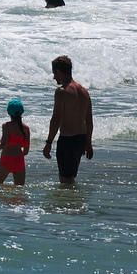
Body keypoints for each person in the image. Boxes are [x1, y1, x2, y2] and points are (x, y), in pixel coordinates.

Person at [42, 55, 93, 184]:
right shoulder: (84, 91)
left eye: (54, 73)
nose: (54, 77)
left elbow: (56, 119)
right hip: (81, 139)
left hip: (68, 140)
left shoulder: (62, 92)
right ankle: (74, 202)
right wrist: (88, 143)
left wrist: (48, 143)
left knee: (65, 180)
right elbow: (89, 120)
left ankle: (72, 203)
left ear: (59, 71)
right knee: (70, 177)